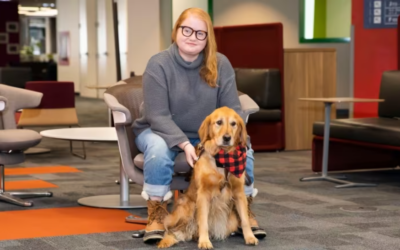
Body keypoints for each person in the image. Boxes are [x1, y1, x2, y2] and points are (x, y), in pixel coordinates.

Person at [132, 7, 266, 243]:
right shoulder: (159, 64)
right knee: (159, 151)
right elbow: (157, 115)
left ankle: (243, 209)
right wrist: (184, 144)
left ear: (208, 38)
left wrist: (225, 139)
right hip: (158, 130)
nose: (192, 37)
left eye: (200, 33)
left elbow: (231, 108)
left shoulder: (220, 63)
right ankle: (156, 213)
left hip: (206, 135)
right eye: (187, 30)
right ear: (176, 31)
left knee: (245, 151)